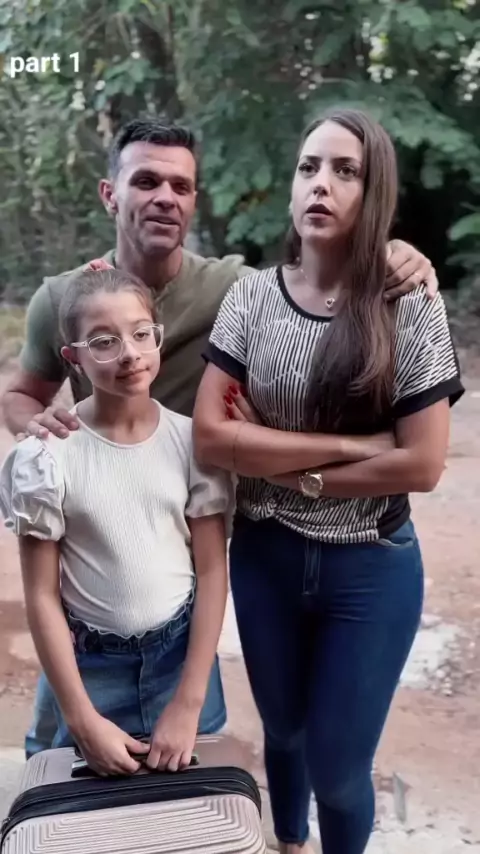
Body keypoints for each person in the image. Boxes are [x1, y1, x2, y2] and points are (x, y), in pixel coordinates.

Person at [0, 116, 437, 757]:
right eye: (146, 181)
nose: (164, 198)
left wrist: (395, 251)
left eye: (180, 186)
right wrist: (40, 428)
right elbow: (21, 395)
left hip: (187, 522)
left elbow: (314, 273)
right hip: (93, 551)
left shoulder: (230, 288)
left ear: (194, 200)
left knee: (189, 748)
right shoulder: (63, 299)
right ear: (110, 194)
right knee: (59, 751)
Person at [192, 109, 464, 854]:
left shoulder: (409, 305)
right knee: (282, 731)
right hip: (266, 556)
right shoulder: (251, 298)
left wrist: (282, 463)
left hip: (369, 569)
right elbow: (214, 438)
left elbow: (421, 464)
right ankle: (289, 840)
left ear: (374, 194)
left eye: (346, 172)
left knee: (339, 772)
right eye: (309, 167)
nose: (322, 184)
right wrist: (349, 448)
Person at [0, 268, 232, 776]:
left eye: (141, 333)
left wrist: (189, 702)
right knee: (77, 805)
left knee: (189, 801)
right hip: (90, 668)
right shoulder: (46, 456)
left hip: (182, 660)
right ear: (73, 357)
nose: (129, 353)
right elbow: (41, 594)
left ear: (157, 336)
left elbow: (213, 571)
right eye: (104, 341)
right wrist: (82, 720)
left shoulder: (192, 443)